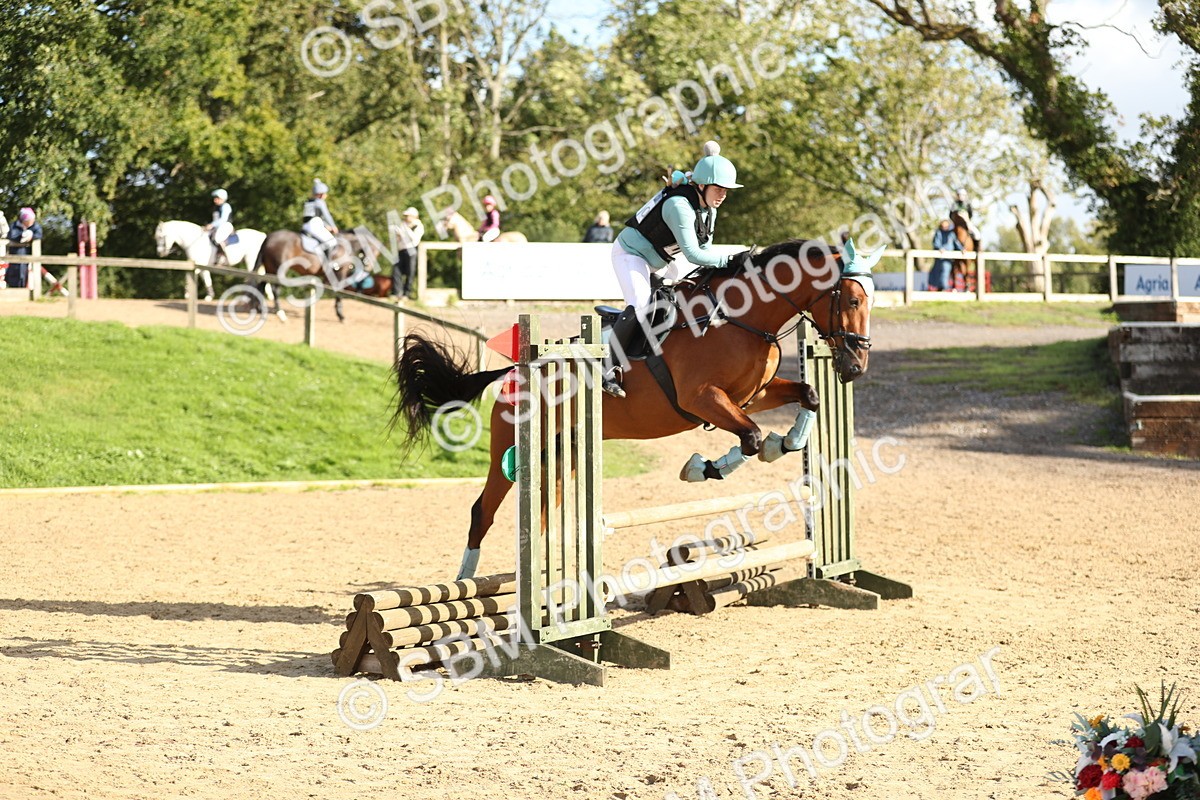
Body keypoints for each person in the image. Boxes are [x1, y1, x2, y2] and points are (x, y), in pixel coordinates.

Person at [603, 140, 752, 398]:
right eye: (719, 189)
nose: (723, 195)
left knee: (689, 292)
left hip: (661, 260)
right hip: (631, 254)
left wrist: (724, 261)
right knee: (639, 303)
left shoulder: (708, 207)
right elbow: (694, 255)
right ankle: (607, 368)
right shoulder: (679, 206)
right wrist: (730, 259)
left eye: (726, 190)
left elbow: (705, 248)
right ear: (702, 185)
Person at [302, 179, 339, 264]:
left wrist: (326, 226)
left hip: (306, 225)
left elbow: (314, 216)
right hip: (314, 225)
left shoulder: (309, 201)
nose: (326, 195)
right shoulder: (320, 202)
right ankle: (329, 264)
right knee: (332, 241)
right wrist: (333, 226)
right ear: (321, 194)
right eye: (325, 193)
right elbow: (327, 216)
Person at [391, 207, 424, 299]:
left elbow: (414, 239)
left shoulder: (418, 226)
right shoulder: (402, 225)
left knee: (410, 272)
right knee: (396, 271)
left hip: (411, 250)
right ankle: (396, 292)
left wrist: (405, 230)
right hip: (401, 250)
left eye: (407, 216)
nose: (405, 217)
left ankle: (407, 293)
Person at [6, 208, 43, 289]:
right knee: (15, 272)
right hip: (15, 254)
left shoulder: (35, 225)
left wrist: (31, 236)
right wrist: (22, 236)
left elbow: (39, 234)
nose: (31, 222)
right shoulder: (14, 225)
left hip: (29, 255)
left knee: (25, 273)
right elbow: (12, 236)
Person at [203, 188, 234, 266]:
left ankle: (222, 256)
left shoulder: (226, 206)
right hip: (217, 227)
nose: (215, 200)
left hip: (226, 225)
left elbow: (223, 220)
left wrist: (211, 225)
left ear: (222, 198)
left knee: (218, 238)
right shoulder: (216, 208)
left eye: (217, 198)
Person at [930, 218, 963, 291]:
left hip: (948, 258)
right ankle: (940, 287)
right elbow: (936, 243)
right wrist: (939, 248)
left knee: (945, 271)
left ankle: (943, 287)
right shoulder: (938, 233)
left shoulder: (951, 234)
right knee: (937, 272)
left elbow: (956, 243)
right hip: (939, 258)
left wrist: (962, 249)